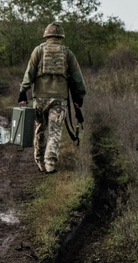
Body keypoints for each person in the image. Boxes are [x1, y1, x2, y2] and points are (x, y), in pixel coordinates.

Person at [18, 22, 87, 174]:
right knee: (55, 131)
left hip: (39, 98)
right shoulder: (67, 53)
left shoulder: (38, 50)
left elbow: (29, 72)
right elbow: (77, 78)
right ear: (61, 36)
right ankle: (50, 163)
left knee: (40, 129)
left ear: (46, 35)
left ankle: (39, 161)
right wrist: (79, 96)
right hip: (59, 99)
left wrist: (23, 91)